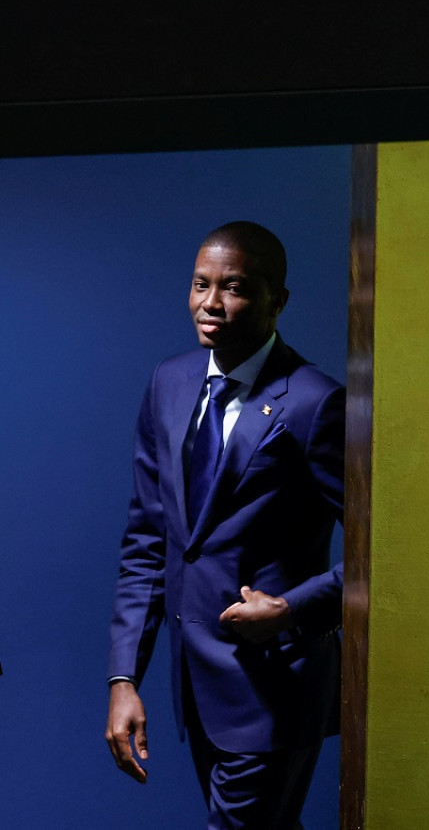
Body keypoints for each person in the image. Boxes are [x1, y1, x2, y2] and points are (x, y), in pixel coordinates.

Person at [105, 221, 344, 829]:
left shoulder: (317, 402)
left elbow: (383, 552)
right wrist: (124, 675)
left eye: (233, 287)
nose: (211, 303)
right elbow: (149, 540)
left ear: (276, 300)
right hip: (198, 687)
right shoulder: (171, 382)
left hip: (276, 686)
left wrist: (292, 607)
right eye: (200, 285)